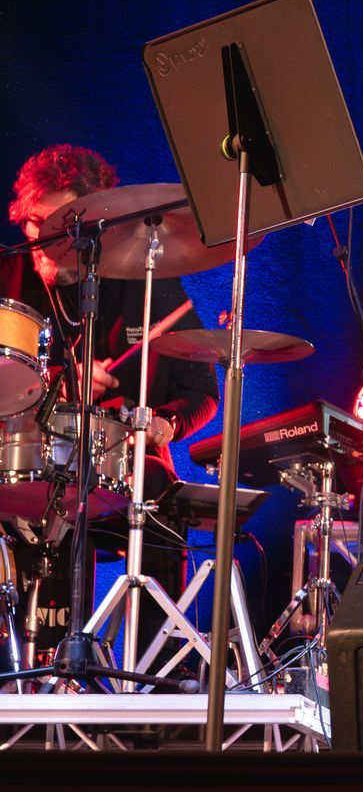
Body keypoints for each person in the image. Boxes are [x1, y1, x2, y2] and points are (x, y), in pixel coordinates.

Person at [3, 144, 219, 646]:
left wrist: (164, 425)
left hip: (128, 467)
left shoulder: (148, 285)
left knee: (163, 518)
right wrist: (62, 378)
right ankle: (35, 669)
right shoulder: (12, 283)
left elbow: (201, 391)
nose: (41, 238)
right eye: (35, 222)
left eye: (58, 225)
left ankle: (152, 682)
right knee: (46, 507)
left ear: (92, 222)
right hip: (28, 461)